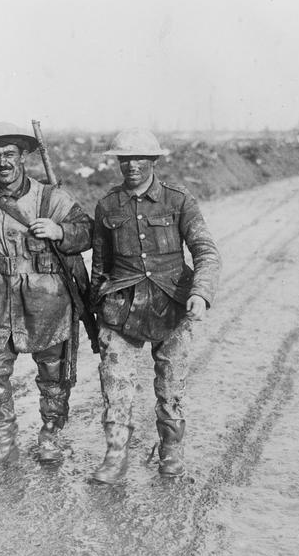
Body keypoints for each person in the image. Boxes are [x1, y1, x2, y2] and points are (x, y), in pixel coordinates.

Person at [0, 121, 93, 470]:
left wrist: (59, 229)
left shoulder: (51, 198)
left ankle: (50, 434)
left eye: (10, 154)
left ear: (23, 157)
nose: (3, 162)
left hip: (47, 300)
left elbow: (88, 232)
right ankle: (3, 442)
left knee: (54, 373)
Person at [90, 128, 221, 484]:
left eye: (139, 158)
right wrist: (96, 314)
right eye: (124, 159)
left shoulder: (179, 201)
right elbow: (99, 268)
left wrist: (201, 292)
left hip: (173, 303)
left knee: (171, 386)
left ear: (153, 161)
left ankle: (171, 451)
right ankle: (116, 456)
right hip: (121, 307)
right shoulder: (107, 206)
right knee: (115, 384)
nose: (131, 165)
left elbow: (206, 251)